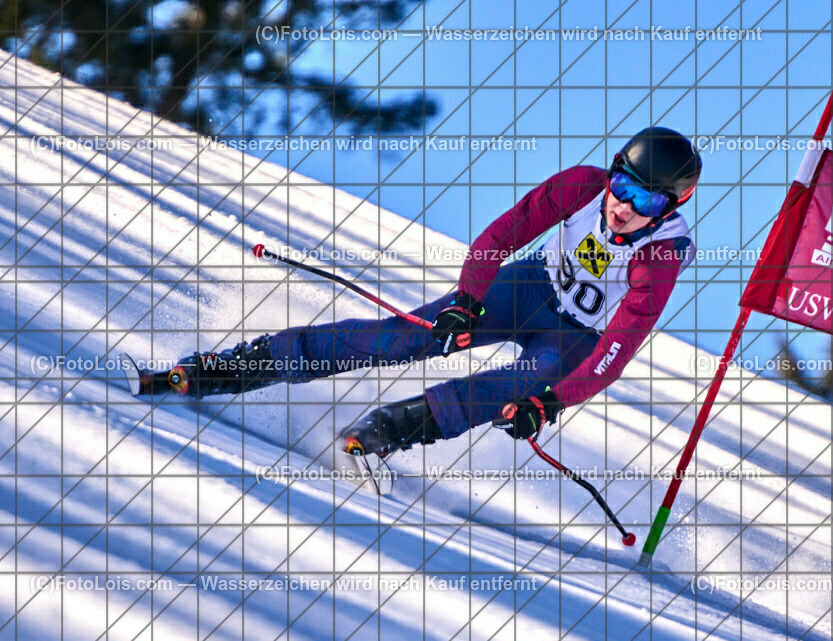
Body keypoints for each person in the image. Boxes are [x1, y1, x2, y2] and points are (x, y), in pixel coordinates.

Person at [138, 126, 701, 458]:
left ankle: (384, 430)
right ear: (611, 172)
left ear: (673, 205)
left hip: (574, 335)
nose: (624, 206)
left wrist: (551, 403)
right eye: (622, 185)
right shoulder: (583, 187)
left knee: (511, 385)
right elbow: (500, 237)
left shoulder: (660, 257)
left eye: (647, 201)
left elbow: (615, 352)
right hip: (527, 287)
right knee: (405, 338)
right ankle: (232, 367)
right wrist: (466, 301)